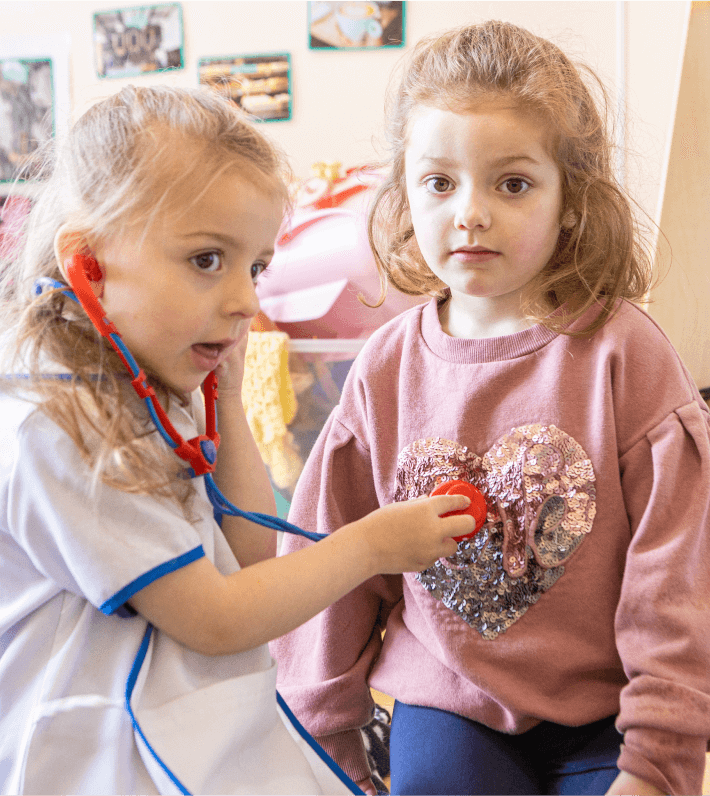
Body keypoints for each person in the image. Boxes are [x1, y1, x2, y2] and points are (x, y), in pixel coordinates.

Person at [271, 20, 710, 796]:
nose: (469, 213)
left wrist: (659, 757)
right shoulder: (384, 366)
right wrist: (325, 724)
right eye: (440, 183)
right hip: (450, 707)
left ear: (571, 202)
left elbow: (676, 569)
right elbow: (329, 555)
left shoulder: (624, 354)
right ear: (407, 195)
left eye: (512, 183)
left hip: (612, 713)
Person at [0, 84, 477, 796]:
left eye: (254, 266)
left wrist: (222, 392)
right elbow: (218, 618)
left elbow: (251, 554)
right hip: (88, 749)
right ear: (87, 264)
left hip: (179, 715)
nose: (246, 300)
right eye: (205, 261)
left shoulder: (146, 380)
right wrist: (374, 545)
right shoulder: (56, 424)